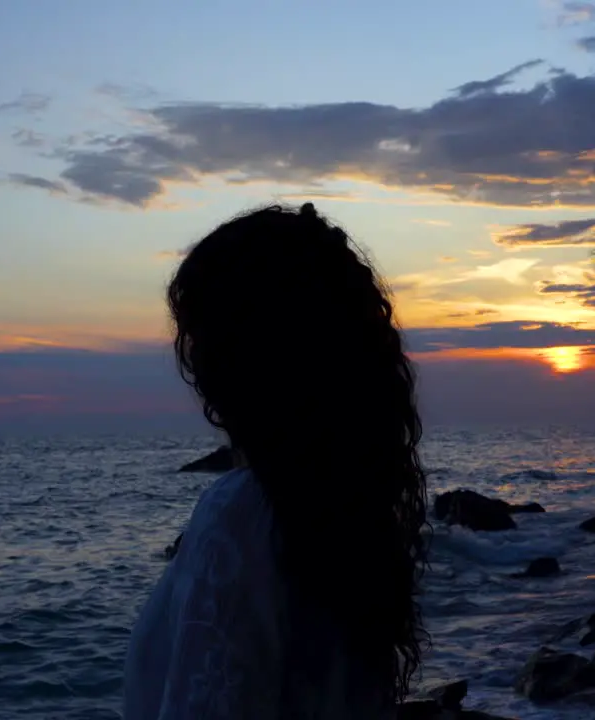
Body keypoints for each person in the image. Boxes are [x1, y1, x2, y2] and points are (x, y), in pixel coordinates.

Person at [123, 203, 429, 719]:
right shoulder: (349, 509)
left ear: (246, 355)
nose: (193, 359)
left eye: (200, 335)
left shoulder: (243, 513)